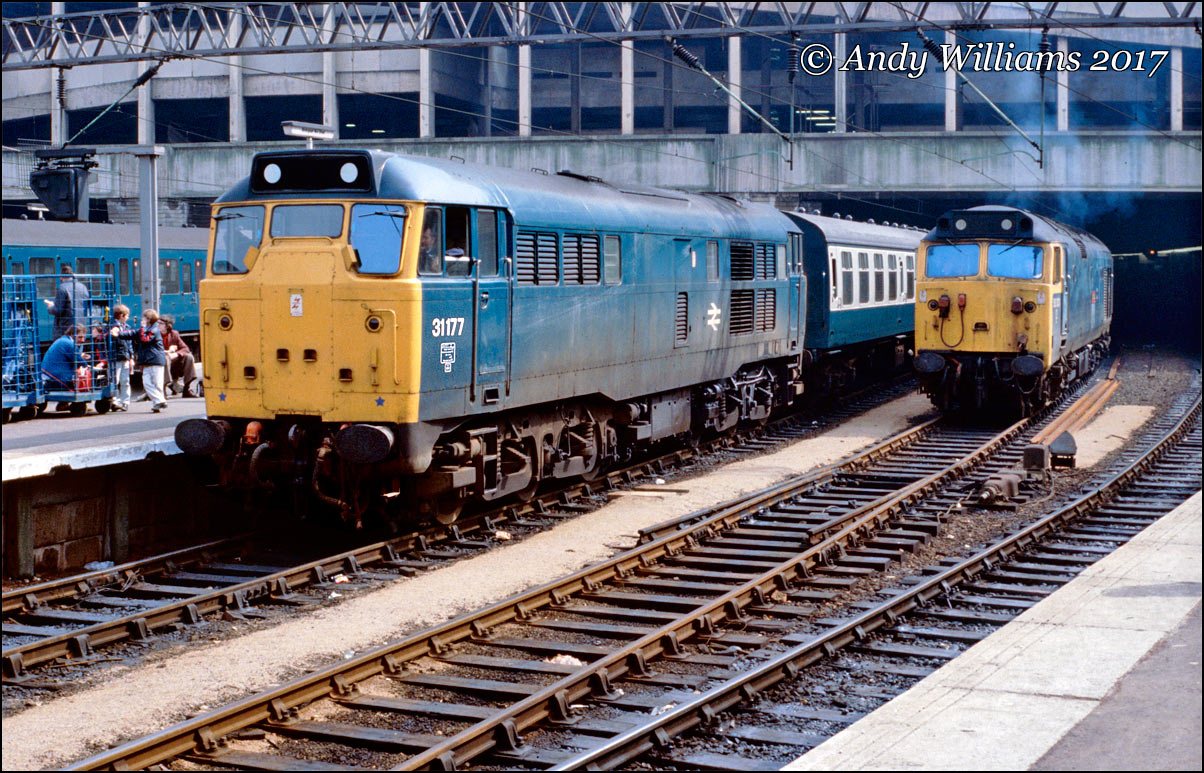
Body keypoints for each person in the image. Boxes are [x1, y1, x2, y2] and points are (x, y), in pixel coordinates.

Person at [112, 308, 167, 413]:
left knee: (156, 383)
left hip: (155, 360)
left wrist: (142, 327)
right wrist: (118, 334)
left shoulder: (154, 330)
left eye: (144, 318)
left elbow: (145, 339)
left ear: (149, 319)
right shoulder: (146, 329)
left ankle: (158, 403)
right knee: (147, 383)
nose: (142, 319)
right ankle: (160, 401)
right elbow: (132, 334)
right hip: (148, 361)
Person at [43, 265, 90, 339]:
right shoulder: (83, 287)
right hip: (81, 328)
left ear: (61, 277)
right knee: (77, 349)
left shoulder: (62, 288)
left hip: (66, 330)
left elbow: (58, 311)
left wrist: (50, 306)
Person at [40, 324, 88, 394]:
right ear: (72, 334)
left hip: (48, 376)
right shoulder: (69, 344)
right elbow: (81, 363)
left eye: (84, 337)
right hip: (56, 379)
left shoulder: (62, 340)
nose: (83, 340)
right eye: (80, 337)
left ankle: (63, 404)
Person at [159, 314, 197, 397]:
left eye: (161, 323)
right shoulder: (155, 334)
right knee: (166, 358)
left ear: (167, 326)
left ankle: (187, 389)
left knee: (188, 357)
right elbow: (153, 350)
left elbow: (185, 348)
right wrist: (168, 351)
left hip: (173, 365)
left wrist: (176, 354)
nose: (158, 325)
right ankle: (163, 390)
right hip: (159, 363)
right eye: (158, 323)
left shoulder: (174, 334)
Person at [110, 304, 135, 411]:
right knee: (115, 380)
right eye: (127, 316)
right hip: (116, 357)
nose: (128, 318)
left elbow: (129, 344)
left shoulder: (127, 327)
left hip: (125, 357)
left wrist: (131, 357)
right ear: (121, 316)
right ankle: (114, 401)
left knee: (125, 381)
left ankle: (125, 401)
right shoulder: (112, 327)